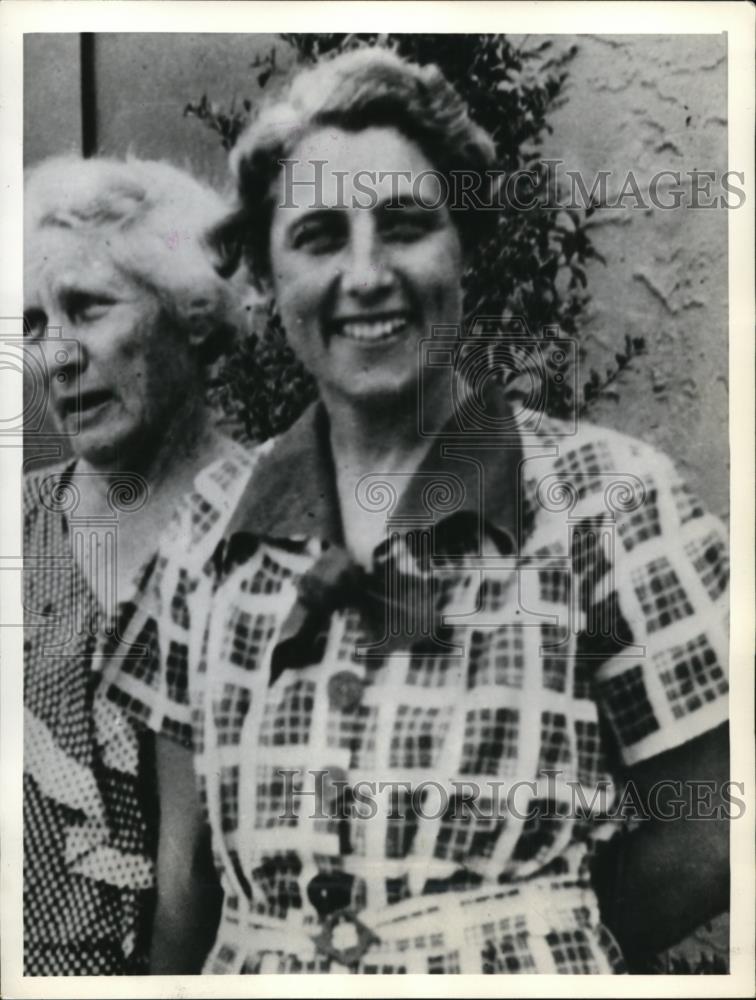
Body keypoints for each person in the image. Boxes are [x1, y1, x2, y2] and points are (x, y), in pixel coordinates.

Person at [111, 48, 730, 974]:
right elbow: (184, 877)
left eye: (404, 225)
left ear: (466, 246)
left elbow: (713, 833)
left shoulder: (611, 500)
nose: (366, 275)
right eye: (319, 236)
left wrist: (520, 945)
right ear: (269, 280)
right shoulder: (210, 524)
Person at [22, 155, 254, 974]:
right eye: (32, 326)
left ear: (191, 314)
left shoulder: (281, 527)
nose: (53, 357)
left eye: (86, 310)